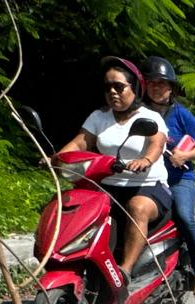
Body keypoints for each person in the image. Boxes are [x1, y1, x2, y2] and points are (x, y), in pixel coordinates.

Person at [55, 56, 169, 287]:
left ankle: (125, 270)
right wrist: (57, 159)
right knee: (76, 206)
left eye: (119, 86)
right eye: (108, 87)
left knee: (137, 207)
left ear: (135, 88)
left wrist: (145, 160)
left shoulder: (150, 117)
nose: (113, 92)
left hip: (147, 186)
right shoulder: (99, 117)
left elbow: (157, 144)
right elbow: (79, 143)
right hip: (107, 184)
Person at [141, 56, 195, 298]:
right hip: (149, 179)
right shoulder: (139, 113)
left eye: (161, 83)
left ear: (171, 87)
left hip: (180, 179)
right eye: (151, 83)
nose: (156, 88)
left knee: (184, 216)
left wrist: (184, 155)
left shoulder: (182, 115)